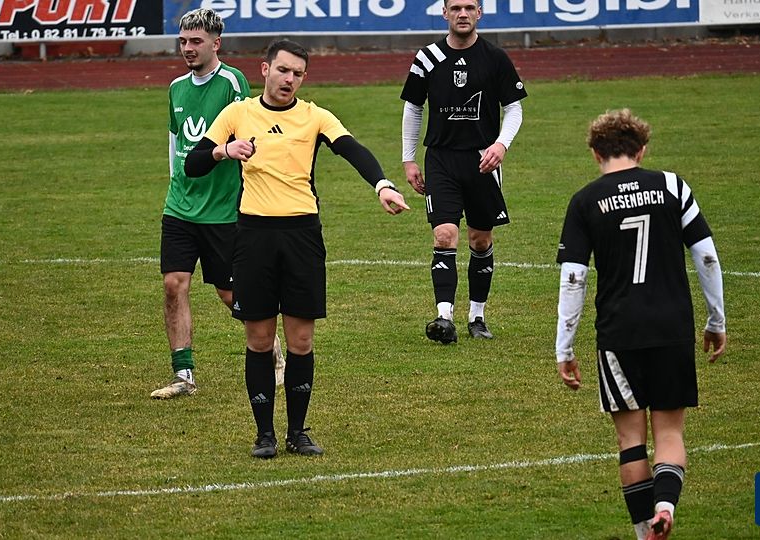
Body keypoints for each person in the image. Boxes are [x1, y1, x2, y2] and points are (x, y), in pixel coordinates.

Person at [185, 39, 410, 458]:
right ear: (265, 69)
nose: (289, 79)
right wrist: (223, 150)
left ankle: (297, 432)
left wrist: (382, 185)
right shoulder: (237, 114)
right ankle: (264, 435)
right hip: (253, 236)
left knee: (301, 340)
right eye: (283, 70)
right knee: (259, 339)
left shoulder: (314, 116)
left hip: (302, 236)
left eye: (298, 74)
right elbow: (192, 164)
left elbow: (352, 149)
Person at [553, 109, 727, 540]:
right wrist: (715, 319)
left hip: (619, 332)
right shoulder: (672, 186)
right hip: (672, 328)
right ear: (642, 150)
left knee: (630, 442)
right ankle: (665, 506)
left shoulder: (584, 201)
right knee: (670, 433)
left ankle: (644, 532)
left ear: (595, 153)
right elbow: (706, 257)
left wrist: (564, 347)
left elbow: (573, 278)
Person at [151, 8, 286, 400]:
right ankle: (184, 375)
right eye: (183, 41)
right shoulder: (176, 87)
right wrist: (175, 184)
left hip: (222, 209)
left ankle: (274, 350)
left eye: (196, 41)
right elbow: (176, 142)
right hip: (180, 206)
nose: (188, 48)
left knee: (230, 295)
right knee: (173, 284)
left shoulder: (232, 82)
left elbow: (249, 134)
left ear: (216, 43)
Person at [400, 0, 527, 344]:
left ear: (479, 13)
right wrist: (409, 159)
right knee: (444, 235)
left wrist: (501, 145)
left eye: (470, 7)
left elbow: (514, 108)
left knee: (480, 239)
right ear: (444, 13)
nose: (462, 14)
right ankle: (444, 318)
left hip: (483, 160)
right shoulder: (427, 57)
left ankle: (477, 316)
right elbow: (413, 108)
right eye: (455, 8)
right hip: (441, 159)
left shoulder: (495, 58)